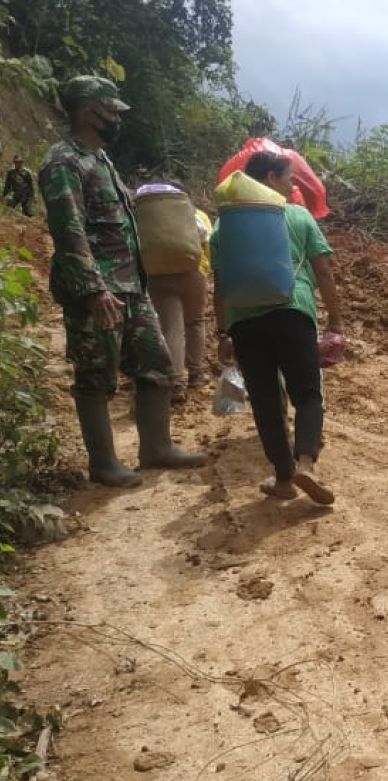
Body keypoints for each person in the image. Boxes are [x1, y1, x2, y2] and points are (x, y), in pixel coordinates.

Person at [38, 76, 206, 488]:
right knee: (96, 373)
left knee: (156, 363)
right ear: (89, 111)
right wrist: (94, 288)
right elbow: (69, 230)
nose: (116, 118)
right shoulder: (64, 162)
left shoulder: (102, 161)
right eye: (112, 111)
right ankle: (104, 463)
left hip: (132, 286)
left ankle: (156, 448)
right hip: (98, 291)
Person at [211, 150, 343, 505]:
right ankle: (306, 465)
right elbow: (324, 271)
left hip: (245, 322)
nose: (292, 185)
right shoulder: (299, 216)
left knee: (266, 401)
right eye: (288, 178)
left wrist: (223, 332)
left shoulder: (224, 226)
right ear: (269, 178)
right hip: (293, 312)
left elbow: (221, 284)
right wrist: (335, 320)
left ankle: (284, 478)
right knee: (307, 393)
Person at [136, 180, 212, 401]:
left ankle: (176, 383)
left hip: (157, 276)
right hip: (192, 273)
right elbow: (205, 239)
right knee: (195, 322)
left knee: (171, 328)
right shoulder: (197, 215)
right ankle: (197, 374)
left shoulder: (147, 217)